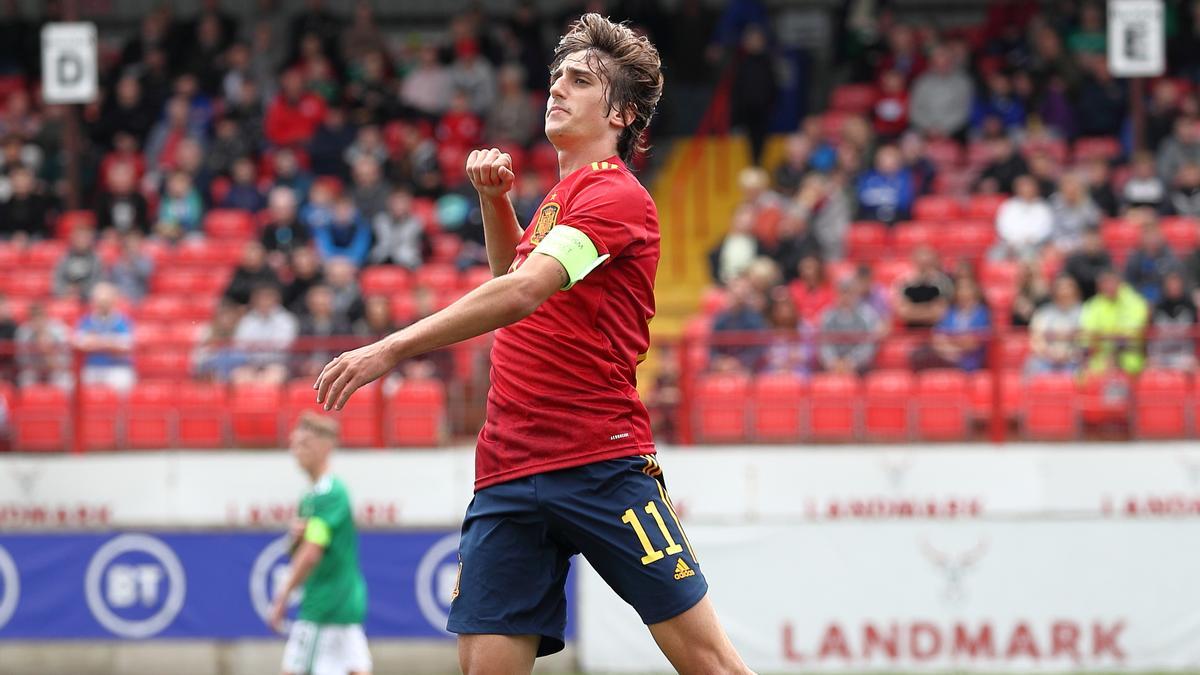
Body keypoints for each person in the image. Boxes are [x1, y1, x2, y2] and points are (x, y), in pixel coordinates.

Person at [312, 15, 752, 674]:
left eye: (579, 80)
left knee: (708, 662)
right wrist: (497, 203)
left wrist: (391, 349)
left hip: (600, 464)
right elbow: (516, 287)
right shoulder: (561, 199)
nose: (558, 89)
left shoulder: (615, 196)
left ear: (623, 111)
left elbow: (521, 293)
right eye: (556, 77)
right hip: (509, 468)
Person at [270, 412, 372, 675]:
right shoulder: (313, 495)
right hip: (340, 602)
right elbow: (307, 545)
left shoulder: (328, 493)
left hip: (324, 605)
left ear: (325, 447)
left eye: (304, 444)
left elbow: (312, 551)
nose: (296, 451)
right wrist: (295, 540)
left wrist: (283, 596)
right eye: (294, 443)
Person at [1080, 268, 1150, 375]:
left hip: (1130, 360)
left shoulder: (1135, 302)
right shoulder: (1092, 305)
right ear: (1099, 286)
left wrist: (1104, 337)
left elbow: (1131, 333)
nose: (1109, 286)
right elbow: (1087, 336)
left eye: (1112, 282)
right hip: (1100, 362)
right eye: (1105, 283)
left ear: (1120, 283)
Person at [74, 282, 136, 392]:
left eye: (106, 301)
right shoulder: (86, 321)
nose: (103, 304)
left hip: (117, 368)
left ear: (113, 301)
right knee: (78, 384)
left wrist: (96, 342)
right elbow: (80, 343)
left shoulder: (122, 321)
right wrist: (110, 342)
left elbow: (125, 346)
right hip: (92, 367)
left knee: (124, 381)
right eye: (100, 301)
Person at [818, 277, 880, 375]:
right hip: (833, 367)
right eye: (842, 292)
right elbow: (824, 343)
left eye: (849, 293)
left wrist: (852, 362)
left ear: (856, 294)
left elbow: (868, 344)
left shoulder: (867, 315)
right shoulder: (827, 315)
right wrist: (833, 362)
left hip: (860, 369)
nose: (845, 297)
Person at [1025, 276, 1084, 375]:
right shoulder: (1043, 313)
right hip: (1046, 359)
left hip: (1074, 360)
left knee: (1085, 370)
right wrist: (1050, 354)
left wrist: (1069, 354)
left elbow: (1085, 340)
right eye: (1061, 288)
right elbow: (1036, 340)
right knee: (1032, 365)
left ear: (1075, 292)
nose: (1064, 292)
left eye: (1068, 288)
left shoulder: (1084, 313)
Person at [991, 175, 1053, 261]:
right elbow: (1002, 226)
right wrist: (1013, 241)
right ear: (1017, 189)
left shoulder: (1043, 208)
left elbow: (1045, 229)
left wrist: (1030, 240)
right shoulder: (1008, 205)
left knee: (1027, 254)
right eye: (1023, 186)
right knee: (995, 254)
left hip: (1034, 245)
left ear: (1036, 188)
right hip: (1009, 243)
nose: (1026, 189)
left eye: (1029, 186)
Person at [1147, 270, 1198, 371]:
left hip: (1183, 354)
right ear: (1165, 286)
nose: (1174, 287)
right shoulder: (1157, 307)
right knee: (1149, 370)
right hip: (1161, 354)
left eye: (1176, 283)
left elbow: (1195, 332)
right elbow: (1150, 334)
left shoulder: (1190, 306)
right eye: (1171, 284)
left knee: (1195, 369)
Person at [896, 245, 953, 328]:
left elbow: (940, 312)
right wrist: (929, 310)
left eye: (927, 263)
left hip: (938, 329)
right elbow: (903, 312)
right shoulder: (903, 282)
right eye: (921, 263)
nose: (924, 266)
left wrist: (913, 311)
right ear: (914, 261)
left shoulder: (943, 282)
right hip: (910, 331)